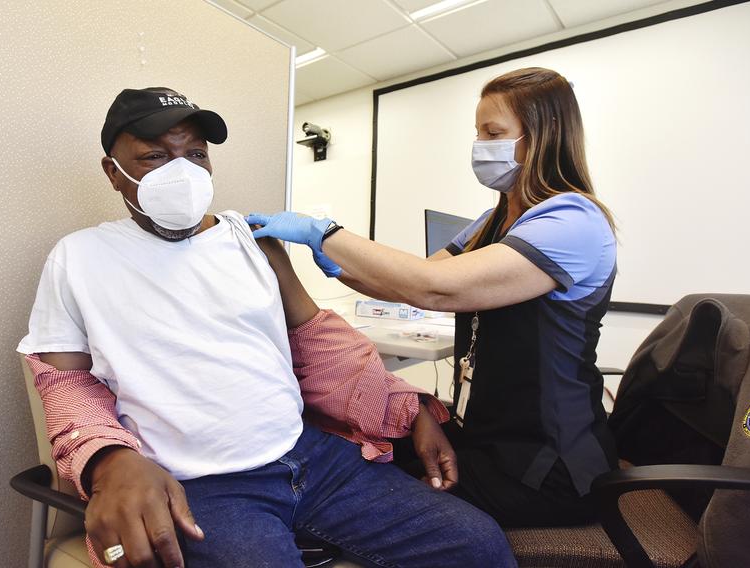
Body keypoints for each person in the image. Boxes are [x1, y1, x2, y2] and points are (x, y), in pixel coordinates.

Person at [17, 86, 516, 568]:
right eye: (154, 157)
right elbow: (66, 384)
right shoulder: (79, 257)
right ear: (113, 170)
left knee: (476, 544)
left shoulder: (254, 242)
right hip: (200, 485)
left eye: (195, 154)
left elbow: (319, 346)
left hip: (309, 458)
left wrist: (409, 408)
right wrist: (108, 461)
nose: (182, 172)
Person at [247, 67, 619, 528]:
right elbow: (411, 283)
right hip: (491, 437)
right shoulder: (493, 219)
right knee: (361, 442)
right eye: (478, 132)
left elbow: (433, 286)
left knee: (360, 481)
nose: (480, 144)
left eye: (494, 132)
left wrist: (320, 232)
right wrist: (341, 267)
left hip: (550, 465)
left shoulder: (573, 221)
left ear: (541, 136)